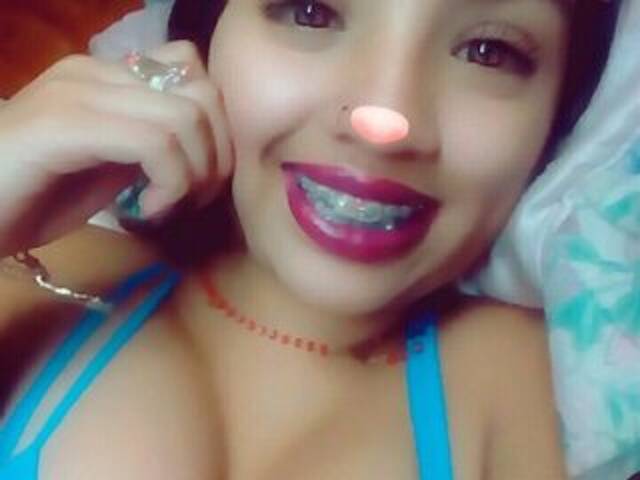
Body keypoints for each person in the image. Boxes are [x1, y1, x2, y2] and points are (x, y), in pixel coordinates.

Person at [0, 0, 623, 478]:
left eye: (487, 51)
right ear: (208, 36)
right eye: (311, 12)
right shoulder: (47, 272)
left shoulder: (533, 382)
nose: (385, 121)